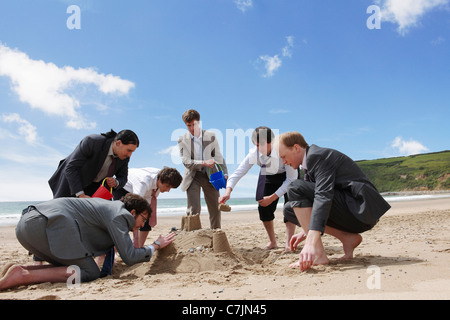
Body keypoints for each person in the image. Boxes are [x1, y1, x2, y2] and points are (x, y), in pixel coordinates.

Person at [0, 194, 175, 291]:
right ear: (133, 212)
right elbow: (129, 256)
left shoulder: (108, 209)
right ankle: (24, 276)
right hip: (46, 225)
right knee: (90, 271)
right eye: (144, 219)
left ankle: (21, 270)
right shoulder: (120, 214)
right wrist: (156, 245)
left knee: (76, 264)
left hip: (27, 226)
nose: (143, 225)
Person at [276, 132, 391, 271]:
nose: (283, 161)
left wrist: (310, 241)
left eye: (283, 156)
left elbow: (323, 196)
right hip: (350, 211)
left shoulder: (317, 156)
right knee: (289, 209)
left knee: (294, 187)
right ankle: (347, 238)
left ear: (296, 148)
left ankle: (318, 254)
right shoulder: (307, 165)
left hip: (360, 209)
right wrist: (304, 232)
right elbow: (310, 202)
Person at [219, 127, 298, 250]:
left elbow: (291, 179)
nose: (258, 148)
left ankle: (289, 242)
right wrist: (227, 192)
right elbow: (238, 173)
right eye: (256, 145)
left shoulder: (283, 150)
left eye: (261, 144)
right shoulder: (254, 154)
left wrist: (272, 198)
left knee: (290, 207)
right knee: (263, 207)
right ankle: (273, 242)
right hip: (269, 175)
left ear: (272, 141)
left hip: (289, 175)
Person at [48, 129, 140, 199]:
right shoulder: (92, 141)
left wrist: (116, 182)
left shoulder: (124, 158)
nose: (129, 155)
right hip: (71, 183)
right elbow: (71, 168)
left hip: (94, 189)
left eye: (132, 152)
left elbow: (123, 178)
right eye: (129, 150)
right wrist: (81, 195)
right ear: (118, 143)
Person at [178, 109, 228, 229]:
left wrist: (225, 173)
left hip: (211, 175)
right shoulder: (182, 140)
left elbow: (218, 156)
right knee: (193, 210)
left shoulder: (210, 136)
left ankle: (216, 234)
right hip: (193, 176)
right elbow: (186, 161)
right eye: (188, 125)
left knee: (215, 207)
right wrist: (204, 163)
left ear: (199, 122)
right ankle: (194, 238)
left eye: (193, 124)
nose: (191, 128)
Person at [113, 167, 183, 248]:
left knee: (146, 216)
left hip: (144, 190)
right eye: (167, 186)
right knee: (125, 218)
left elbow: (147, 206)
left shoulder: (160, 181)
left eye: (170, 188)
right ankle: (117, 249)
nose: (168, 190)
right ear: (159, 180)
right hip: (124, 187)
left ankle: (139, 247)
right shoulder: (143, 182)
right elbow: (135, 208)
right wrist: (135, 240)